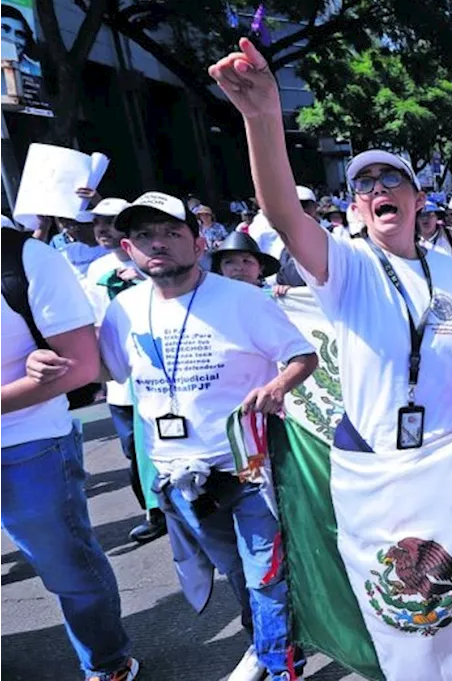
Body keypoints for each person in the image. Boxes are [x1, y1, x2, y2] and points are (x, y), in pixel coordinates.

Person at [209, 38, 452, 456]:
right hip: (372, 460)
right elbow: (283, 212)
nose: (379, 188)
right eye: (365, 183)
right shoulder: (344, 263)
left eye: (392, 179)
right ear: (356, 205)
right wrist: (262, 115)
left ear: (419, 199)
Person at [84, 192, 316, 681]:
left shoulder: (242, 300)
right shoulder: (123, 310)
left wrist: (275, 387)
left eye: (171, 232)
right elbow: (104, 369)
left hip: (249, 470)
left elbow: (302, 356)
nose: (159, 244)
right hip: (178, 478)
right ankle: (266, 644)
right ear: (128, 247)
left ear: (198, 240)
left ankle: (280, 668)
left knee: (266, 576)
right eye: (146, 236)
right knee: (238, 574)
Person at [1, 216, 138, 681]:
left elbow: (81, 367)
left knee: (66, 565)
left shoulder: (26, 258)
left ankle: (106, 662)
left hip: (28, 441)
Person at [81, 197, 167, 544]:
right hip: (119, 382)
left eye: (111, 221)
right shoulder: (96, 269)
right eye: (97, 222)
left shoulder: (160, 263)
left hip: (160, 373)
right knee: (135, 449)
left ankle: (174, 508)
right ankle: (153, 511)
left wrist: (143, 275)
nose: (103, 229)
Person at [248, 185, 317, 259]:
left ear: (315, 207)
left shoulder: (324, 233)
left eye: (304, 205)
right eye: (293, 205)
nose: (299, 210)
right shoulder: (262, 225)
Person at [211, 231, 281, 287]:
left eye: (246, 261)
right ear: (220, 270)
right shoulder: (212, 301)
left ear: (261, 268)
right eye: (229, 262)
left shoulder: (275, 298)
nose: (239, 267)